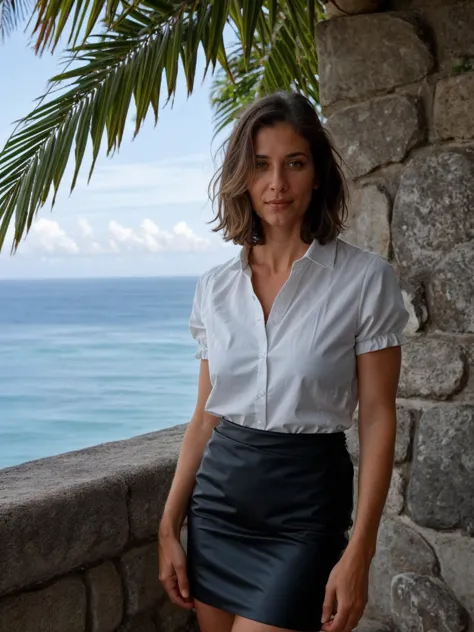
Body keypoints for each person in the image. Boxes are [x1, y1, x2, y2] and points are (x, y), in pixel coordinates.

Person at [158, 91, 409, 632]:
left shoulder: (364, 280)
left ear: (316, 174)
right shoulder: (215, 288)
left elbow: (377, 417)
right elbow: (205, 416)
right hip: (218, 509)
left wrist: (360, 550)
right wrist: (167, 526)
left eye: (294, 164)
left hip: (305, 511)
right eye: (261, 166)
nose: (277, 183)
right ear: (243, 178)